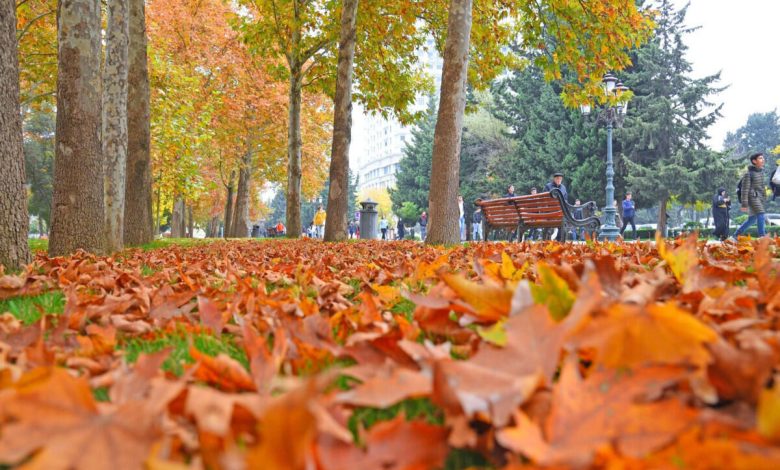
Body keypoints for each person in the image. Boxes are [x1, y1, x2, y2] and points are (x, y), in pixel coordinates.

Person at [733, 153, 768, 238]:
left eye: (763, 158)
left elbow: (762, 187)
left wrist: (764, 196)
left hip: (759, 198)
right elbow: (744, 190)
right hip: (751, 197)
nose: (763, 160)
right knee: (761, 214)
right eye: (760, 158)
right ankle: (762, 236)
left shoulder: (761, 173)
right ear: (754, 161)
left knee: (752, 219)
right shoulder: (748, 174)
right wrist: (744, 204)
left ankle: (735, 235)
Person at [544, 172, 568, 240]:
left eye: (560, 179)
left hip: (560, 212)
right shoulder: (548, 186)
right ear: (554, 179)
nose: (559, 180)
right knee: (560, 223)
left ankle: (559, 241)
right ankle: (549, 240)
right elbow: (545, 200)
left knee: (562, 223)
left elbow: (566, 200)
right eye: (557, 178)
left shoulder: (563, 187)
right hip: (550, 212)